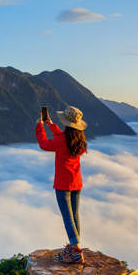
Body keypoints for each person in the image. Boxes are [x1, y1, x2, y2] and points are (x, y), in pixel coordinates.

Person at [36, 105, 89, 263]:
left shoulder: (62, 140)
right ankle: (75, 246)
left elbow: (44, 144)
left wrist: (39, 125)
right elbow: (61, 137)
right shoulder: (79, 139)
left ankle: (76, 250)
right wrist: (50, 124)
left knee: (67, 217)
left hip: (62, 185)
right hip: (76, 183)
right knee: (74, 215)